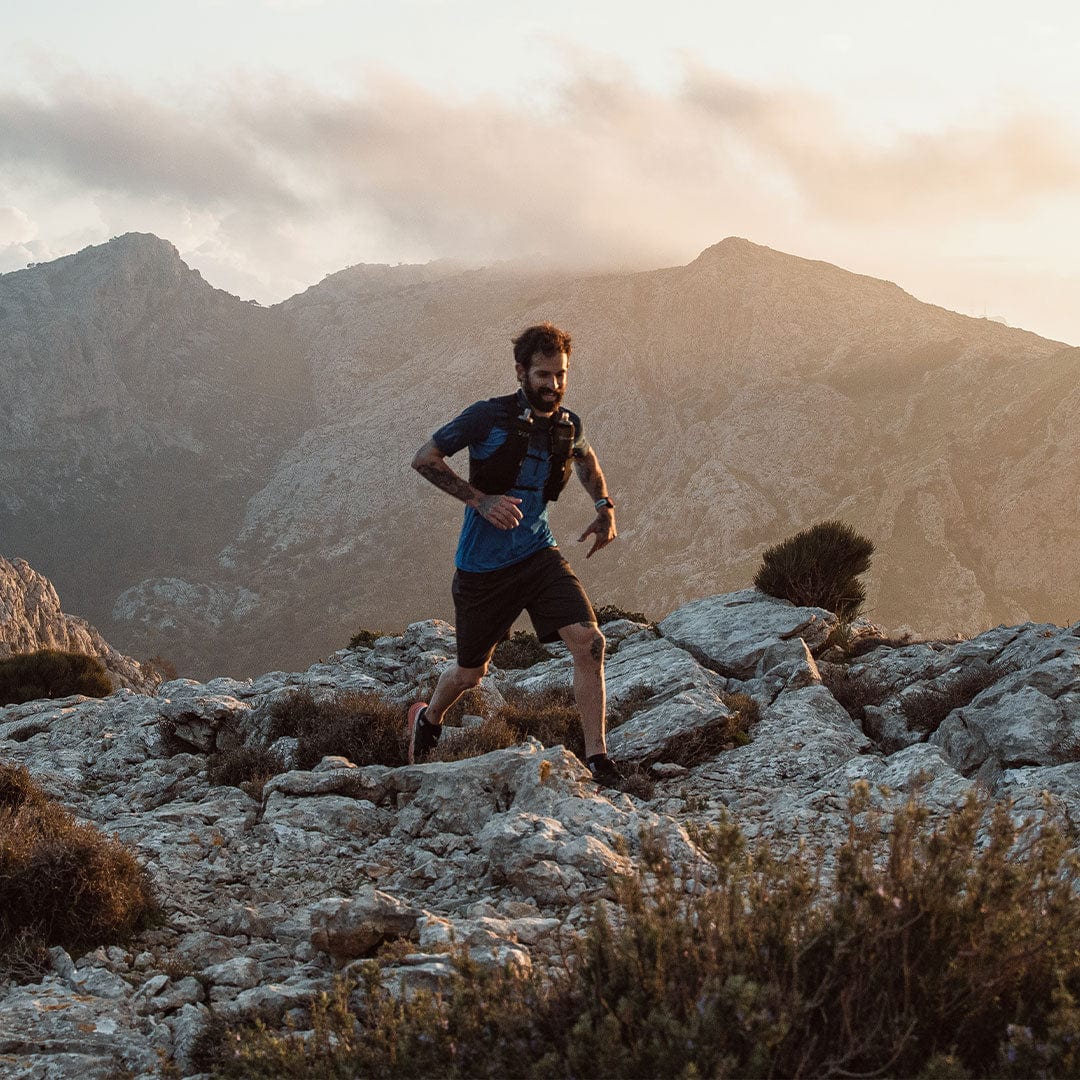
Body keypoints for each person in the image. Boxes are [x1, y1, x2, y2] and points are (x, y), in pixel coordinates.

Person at [408, 322, 622, 784]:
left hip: (539, 555)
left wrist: (604, 507)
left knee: (590, 643)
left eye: (561, 374)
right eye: (544, 375)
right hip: (483, 569)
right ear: (521, 372)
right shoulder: (487, 417)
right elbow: (425, 458)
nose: (554, 385)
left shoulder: (568, 425)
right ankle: (428, 718)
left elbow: (587, 460)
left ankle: (598, 759)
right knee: (470, 675)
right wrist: (478, 500)